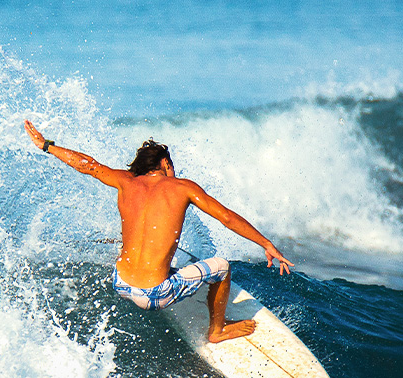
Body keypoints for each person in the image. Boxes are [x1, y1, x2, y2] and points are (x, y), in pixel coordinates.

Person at [24, 120, 294, 343]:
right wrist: (266, 243)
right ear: (165, 163)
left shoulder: (125, 181)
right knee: (222, 267)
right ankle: (217, 330)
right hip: (154, 294)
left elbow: (88, 165)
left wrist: (47, 145)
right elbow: (226, 218)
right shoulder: (182, 187)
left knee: (152, 246)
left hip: (121, 283)